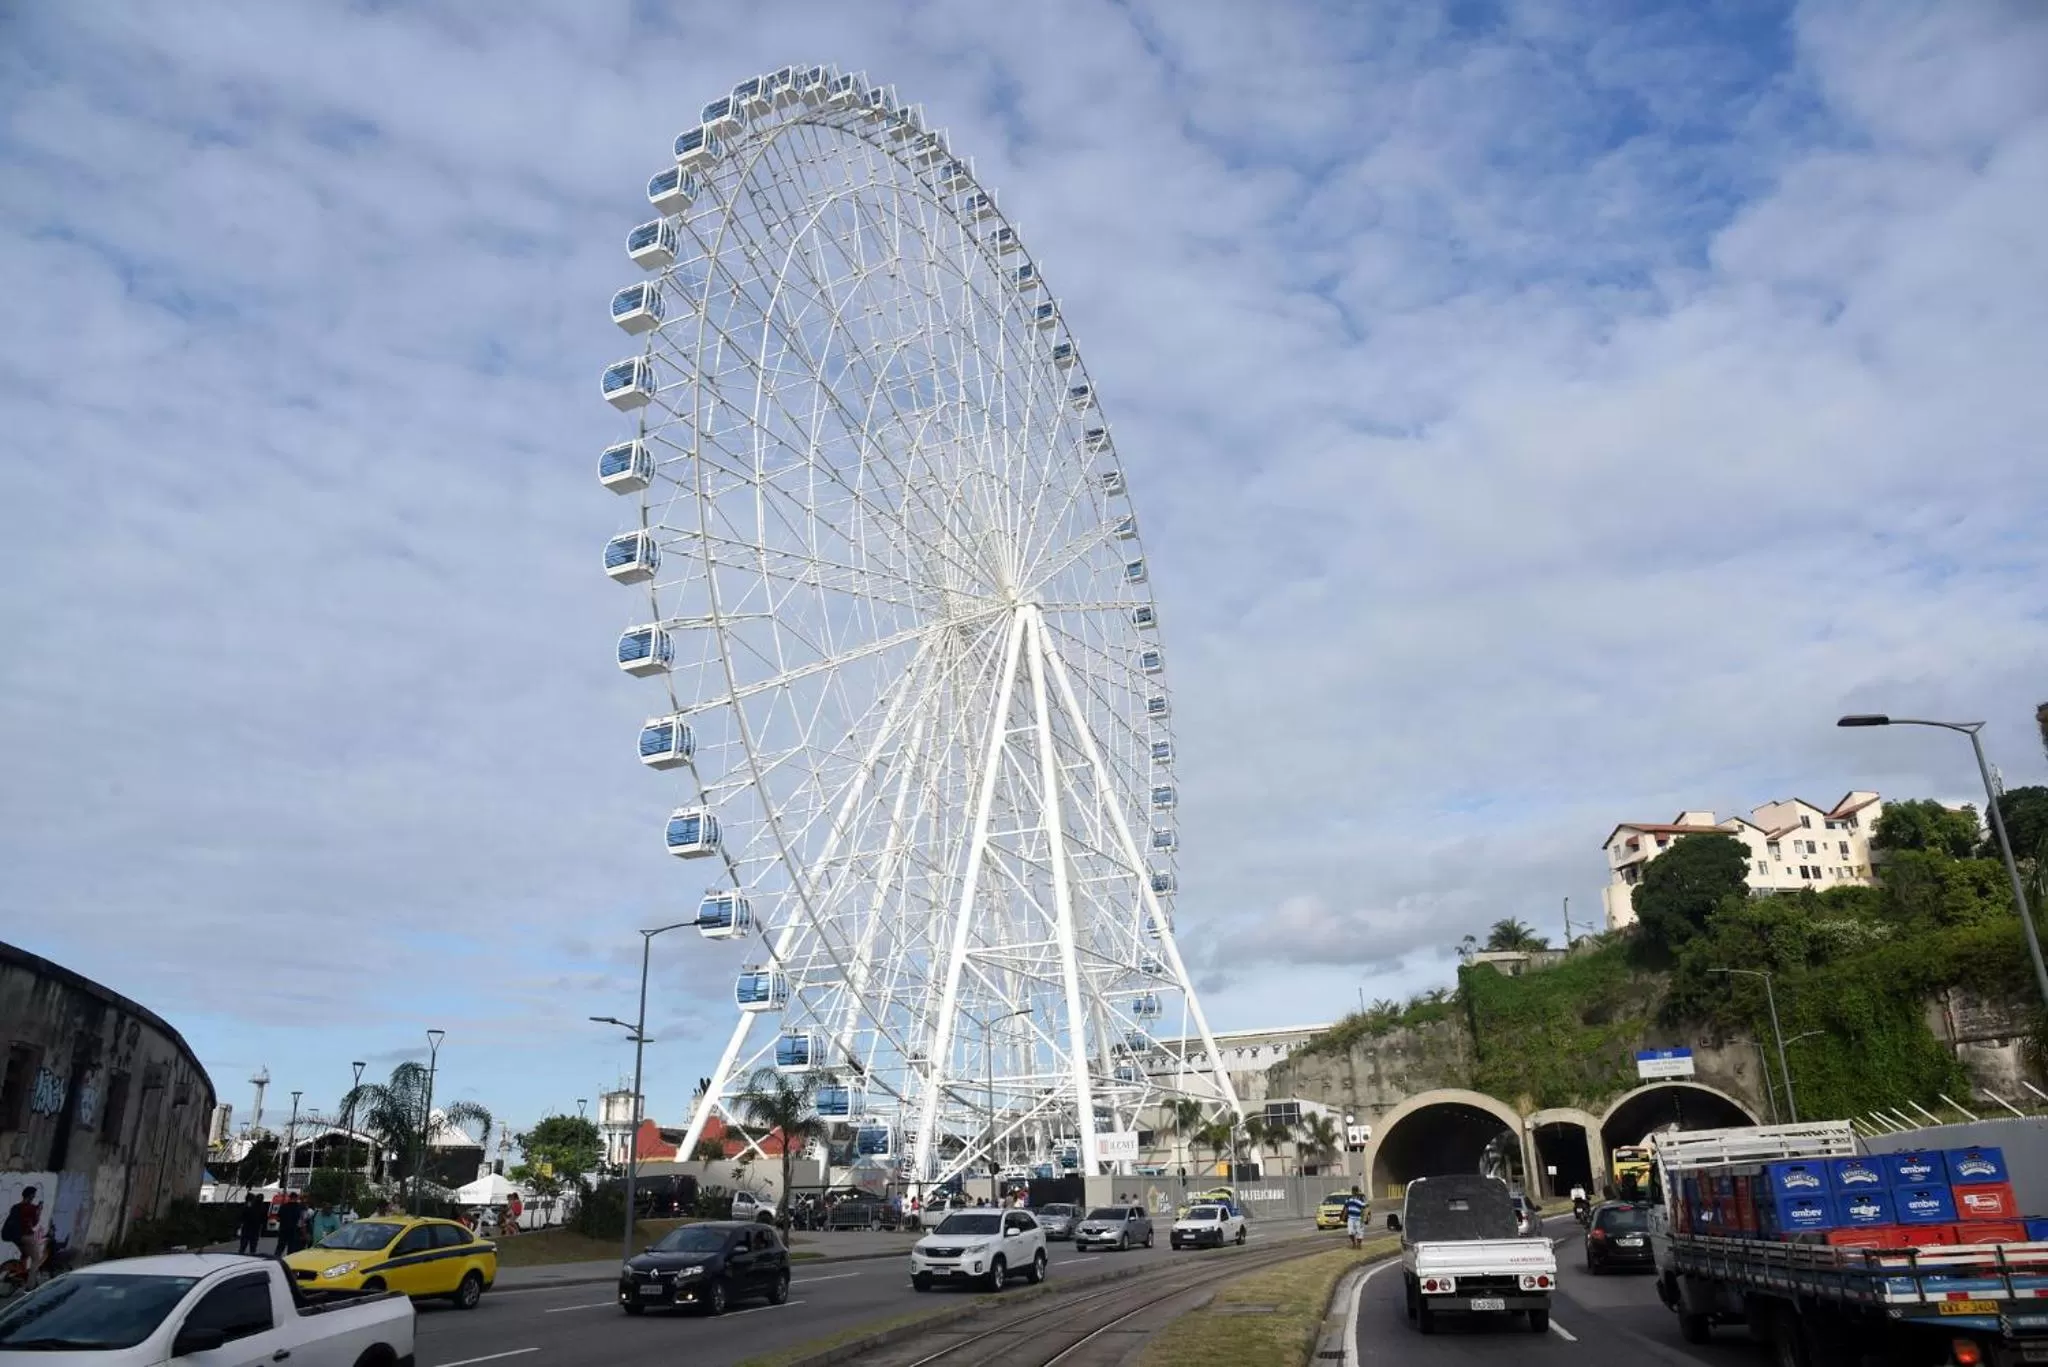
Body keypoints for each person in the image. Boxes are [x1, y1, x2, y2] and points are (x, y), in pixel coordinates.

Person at [4, 1186, 43, 1291]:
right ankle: (30, 1287)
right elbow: (35, 1223)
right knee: (36, 1259)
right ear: (31, 1196)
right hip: (26, 1237)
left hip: (15, 1237)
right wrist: (39, 1211)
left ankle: (20, 1277)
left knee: (25, 1255)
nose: (34, 1196)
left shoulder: (15, 1207)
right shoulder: (32, 1208)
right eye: (34, 1194)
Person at [272, 1191, 304, 1258]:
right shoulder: (299, 1207)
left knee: (280, 1246)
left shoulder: (284, 1206)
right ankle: (289, 1262)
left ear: (289, 1198)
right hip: (293, 1230)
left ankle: (275, 1259)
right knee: (291, 1247)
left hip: (283, 1229)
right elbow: (300, 1219)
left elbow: (278, 1218)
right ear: (296, 1198)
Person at [1342, 1186, 1367, 1250]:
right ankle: (1354, 1243)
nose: (1354, 1192)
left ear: (1357, 1191)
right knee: (1350, 1232)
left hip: (1358, 1218)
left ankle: (1359, 1244)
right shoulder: (1349, 1198)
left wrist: (1363, 1218)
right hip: (1351, 1218)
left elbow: (1364, 1208)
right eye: (1353, 1191)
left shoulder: (1361, 1198)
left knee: (1359, 1232)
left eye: (1355, 1191)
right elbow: (1346, 1207)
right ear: (1352, 1191)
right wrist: (1344, 1216)